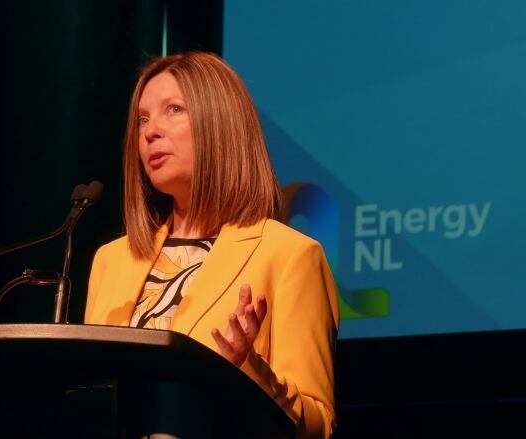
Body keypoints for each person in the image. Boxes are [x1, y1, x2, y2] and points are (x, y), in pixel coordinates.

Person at [84, 51, 339, 438]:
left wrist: (248, 366)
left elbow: (318, 426)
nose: (151, 131)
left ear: (219, 124)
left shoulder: (290, 256)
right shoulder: (112, 261)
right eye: (143, 119)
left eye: (173, 110)